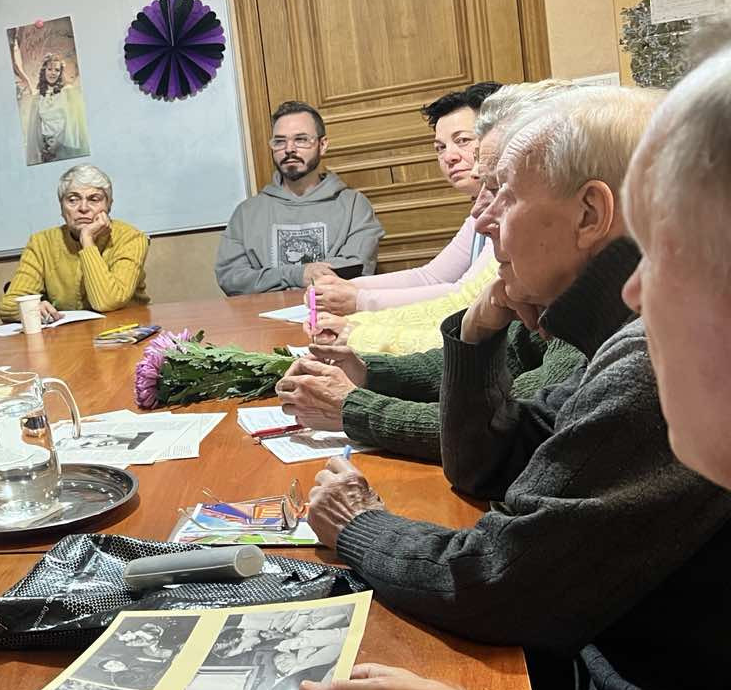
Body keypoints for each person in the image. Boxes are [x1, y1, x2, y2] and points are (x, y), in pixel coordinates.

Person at [300, 50, 731, 690]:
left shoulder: (643, 363)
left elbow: (500, 580)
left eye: (671, 244)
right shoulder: (613, 343)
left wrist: (360, 528)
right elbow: (509, 455)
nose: (636, 287)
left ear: (592, 214)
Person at [279, 83, 587, 461]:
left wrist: (352, 403)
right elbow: (500, 362)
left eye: (503, 191)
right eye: (441, 147)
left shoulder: (596, 322)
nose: (479, 215)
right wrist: (367, 372)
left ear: (589, 211)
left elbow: (496, 430)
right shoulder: (559, 294)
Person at [306, 83, 501, 316]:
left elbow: (466, 295)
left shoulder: (508, 209)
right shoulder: (479, 210)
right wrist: (343, 286)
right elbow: (431, 276)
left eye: (462, 140)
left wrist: (359, 300)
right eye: (440, 147)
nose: (449, 156)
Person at [214, 101, 382, 295]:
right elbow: (231, 278)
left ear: (322, 145)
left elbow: (356, 269)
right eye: (279, 141)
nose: (289, 149)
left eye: (301, 139)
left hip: (334, 311)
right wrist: (297, 275)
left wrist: (269, 280)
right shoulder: (246, 213)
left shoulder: (354, 206)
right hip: (267, 314)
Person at [0, 164, 149, 321]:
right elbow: (7, 306)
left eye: (94, 199)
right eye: (73, 200)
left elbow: (107, 302)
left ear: (109, 205)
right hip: (69, 333)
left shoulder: (131, 238)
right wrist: (32, 309)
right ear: (61, 207)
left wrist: (87, 240)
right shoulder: (41, 243)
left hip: (128, 328)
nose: (83, 208)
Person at [12, 32, 88, 165]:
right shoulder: (38, 97)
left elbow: (74, 124)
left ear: (60, 73)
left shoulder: (68, 92)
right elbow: (34, 130)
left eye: (57, 70)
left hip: (66, 146)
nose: (53, 73)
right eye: (50, 69)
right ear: (44, 70)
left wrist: (58, 143)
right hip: (47, 149)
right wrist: (44, 148)